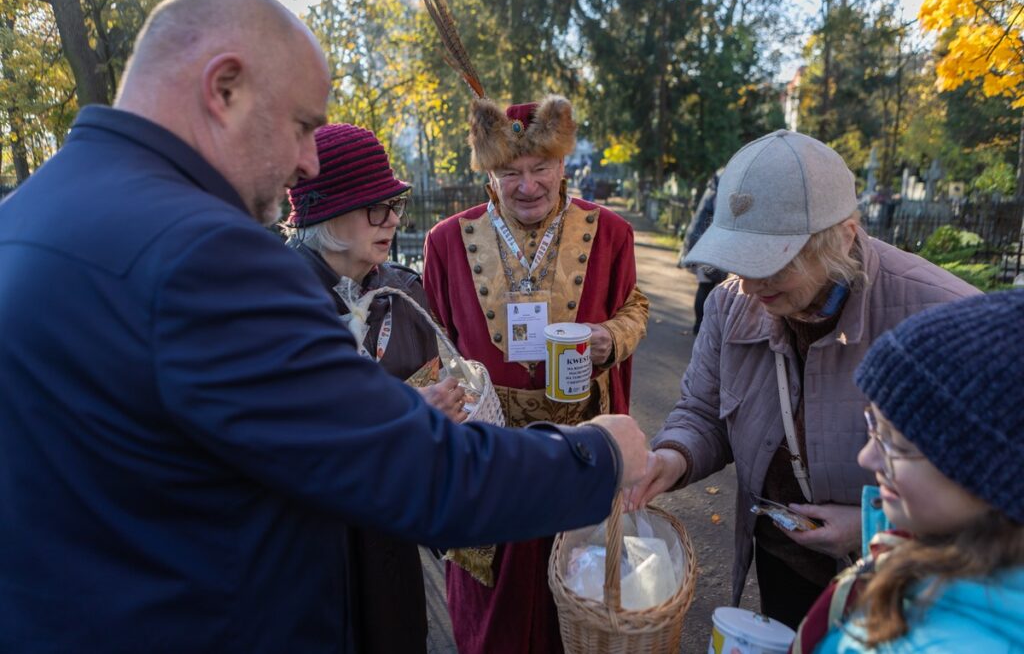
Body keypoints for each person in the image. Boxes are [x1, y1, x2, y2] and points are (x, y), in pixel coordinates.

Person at [0, 0, 650, 653]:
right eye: (304, 126)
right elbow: (408, 469)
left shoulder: (26, 214)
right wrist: (596, 455)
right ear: (224, 87)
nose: (308, 164)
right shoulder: (204, 252)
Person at [624, 129, 978, 628]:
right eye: (738, 261)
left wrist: (870, 526)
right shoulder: (731, 303)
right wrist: (673, 456)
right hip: (786, 558)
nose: (748, 284)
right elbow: (704, 412)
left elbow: (992, 491)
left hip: (907, 585)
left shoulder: (943, 315)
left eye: (771, 263)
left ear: (842, 238)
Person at [423, 95, 650, 653]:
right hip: (488, 461)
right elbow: (430, 345)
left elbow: (635, 307)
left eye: (540, 168)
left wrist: (612, 338)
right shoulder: (446, 241)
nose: (527, 186)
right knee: (491, 618)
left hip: (580, 455)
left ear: (562, 165)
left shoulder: (612, 234)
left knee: (577, 607)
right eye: (510, 172)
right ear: (490, 174)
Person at [282, 122, 464, 654]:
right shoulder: (274, 300)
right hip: (314, 558)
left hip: (392, 547)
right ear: (324, 210)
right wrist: (408, 413)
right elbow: (285, 439)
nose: (391, 220)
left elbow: (433, 392)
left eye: (395, 205)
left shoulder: (403, 291)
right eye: (374, 206)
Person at [791, 290, 1024, 653]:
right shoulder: (934, 567)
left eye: (898, 445)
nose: (866, 459)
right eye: (874, 428)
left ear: (998, 478)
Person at [678, 168, 727, 334]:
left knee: (706, 284)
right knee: (708, 286)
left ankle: (700, 326)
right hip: (710, 244)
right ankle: (701, 327)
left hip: (702, 241)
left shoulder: (712, 189)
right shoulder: (721, 190)